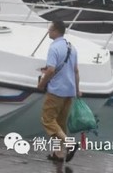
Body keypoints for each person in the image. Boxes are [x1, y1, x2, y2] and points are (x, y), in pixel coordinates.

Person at [37, 20, 81, 163]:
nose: (48, 32)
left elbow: (51, 70)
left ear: (56, 31)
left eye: (50, 29)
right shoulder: (72, 48)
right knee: (60, 125)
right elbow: (76, 71)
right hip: (70, 91)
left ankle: (69, 143)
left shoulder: (54, 47)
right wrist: (77, 89)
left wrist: (42, 84)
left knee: (48, 119)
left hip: (57, 90)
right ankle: (58, 154)